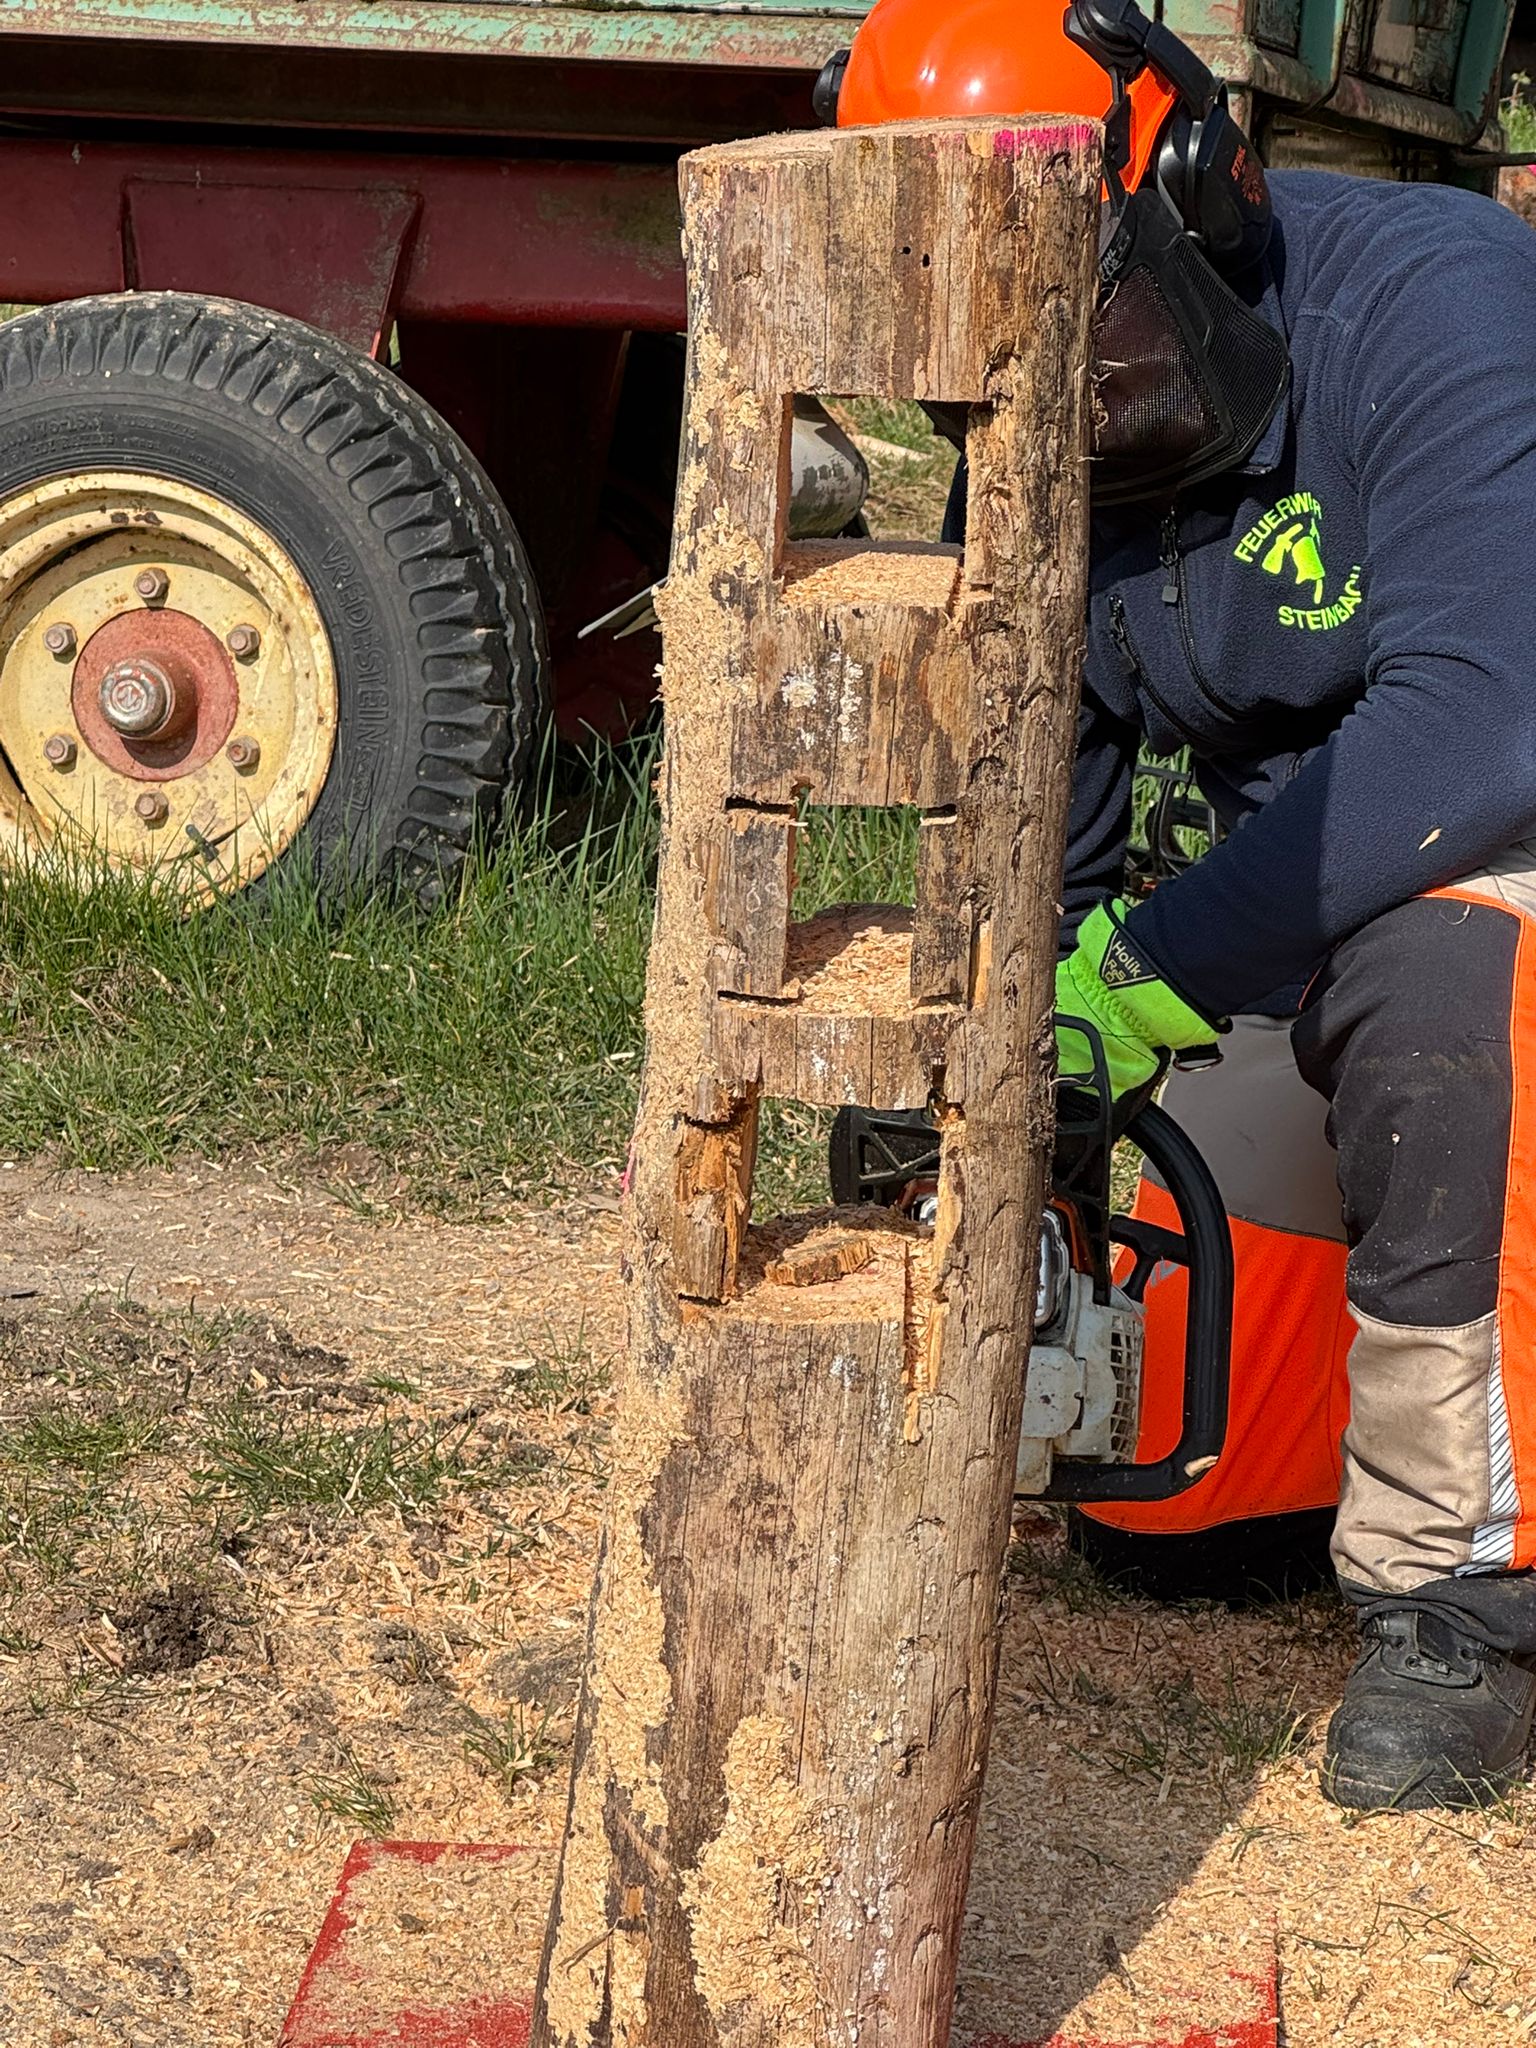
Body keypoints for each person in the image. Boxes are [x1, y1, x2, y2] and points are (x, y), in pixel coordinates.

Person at [828, 0, 1536, 1812]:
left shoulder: (1439, 304)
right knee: (1176, 1504)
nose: (1067, 392)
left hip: (1496, 843)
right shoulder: (1044, 438)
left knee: (1453, 992)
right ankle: (1332, 1470)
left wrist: (1141, 976)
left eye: (1089, 317)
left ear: (1205, 192)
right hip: (1305, 903)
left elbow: (1485, 714)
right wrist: (996, 1065)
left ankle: (1468, 1595)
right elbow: (1036, 809)